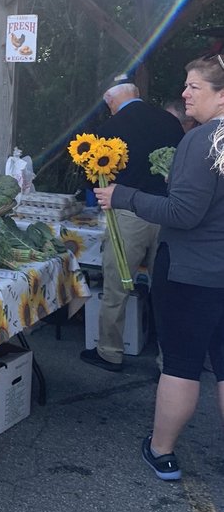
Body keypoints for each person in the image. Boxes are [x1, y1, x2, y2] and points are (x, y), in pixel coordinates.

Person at [95, 55, 224, 480]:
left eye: (195, 87)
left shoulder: (203, 141)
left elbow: (183, 213)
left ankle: (161, 450)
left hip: (191, 270)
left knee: (181, 366)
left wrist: (124, 196)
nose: (184, 94)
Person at [80, 73, 184, 372]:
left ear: (110, 100)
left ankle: (110, 352)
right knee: (166, 289)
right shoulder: (170, 122)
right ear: (136, 93)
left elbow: (94, 178)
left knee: (117, 287)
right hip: (167, 214)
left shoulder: (109, 129)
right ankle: (169, 360)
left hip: (127, 216)